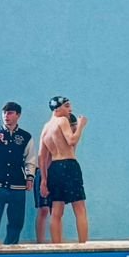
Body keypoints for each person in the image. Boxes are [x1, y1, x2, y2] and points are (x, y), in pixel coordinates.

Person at [0, 101, 37, 245]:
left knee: (16, 221)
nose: (6, 116)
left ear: (18, 115)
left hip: (18, 185)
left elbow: (31, 159)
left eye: (10, 113)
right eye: (4, 113)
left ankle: (11, 246)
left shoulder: (25, 137)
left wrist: (30, 178)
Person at [38, 96, 89, 244]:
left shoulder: (46, 127)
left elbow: (42, 156)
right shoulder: (62, 121)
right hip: (69, 165)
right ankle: (84, 247)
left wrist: (44, 180)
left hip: (54, 168)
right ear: (57, 109)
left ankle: (56, 247)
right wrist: (80, 126)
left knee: (56, 211)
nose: (70, 109)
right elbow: (71, 140)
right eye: (67, 106)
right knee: (80, 209)